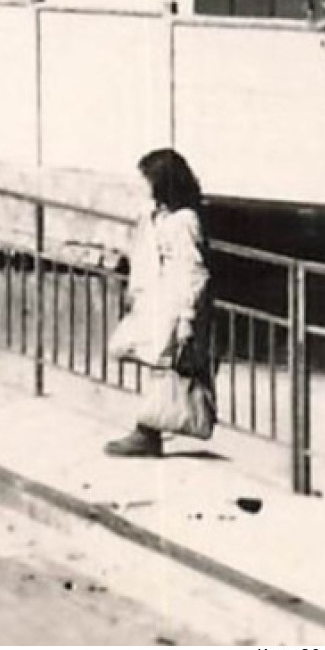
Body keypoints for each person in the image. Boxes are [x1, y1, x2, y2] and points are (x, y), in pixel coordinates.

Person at [105, 148, 215, 457]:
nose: (142, 185)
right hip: (156, 300)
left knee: (167, 365)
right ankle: (148, 430)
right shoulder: (159, 214)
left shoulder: (184, 221)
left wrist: (187, 318)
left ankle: (147, 432)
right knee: (152, 360)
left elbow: (193, 272)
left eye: (147, 179)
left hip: (174, 303)